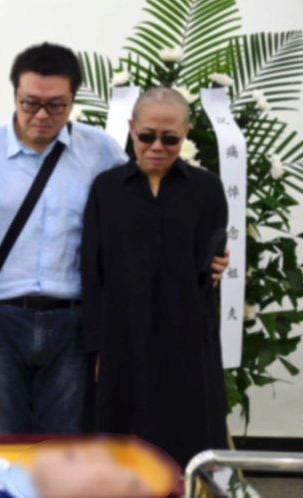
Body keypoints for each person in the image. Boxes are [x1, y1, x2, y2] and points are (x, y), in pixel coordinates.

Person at [0, 43, 229, 435]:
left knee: (64, 446)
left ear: (73, 100)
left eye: (56, 106)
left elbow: (140, 214)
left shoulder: (99, 152)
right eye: (30, 103)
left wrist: (205, 256)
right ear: (14, 96)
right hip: (2, 321)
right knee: (3, 441)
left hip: (72, 323)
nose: (41, 115)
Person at [82, 88, 229, 466]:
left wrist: (216, 267)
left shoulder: (207, 189)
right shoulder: (107, 189)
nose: (157, 147)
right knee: (124, 438)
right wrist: (96, 346)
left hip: (186, 335)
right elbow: (92, 269)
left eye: (170, 139)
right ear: (131, 130)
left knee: (187, 437)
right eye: (147, 136)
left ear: (186, 133)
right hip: (123, 336)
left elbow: (210, 263)